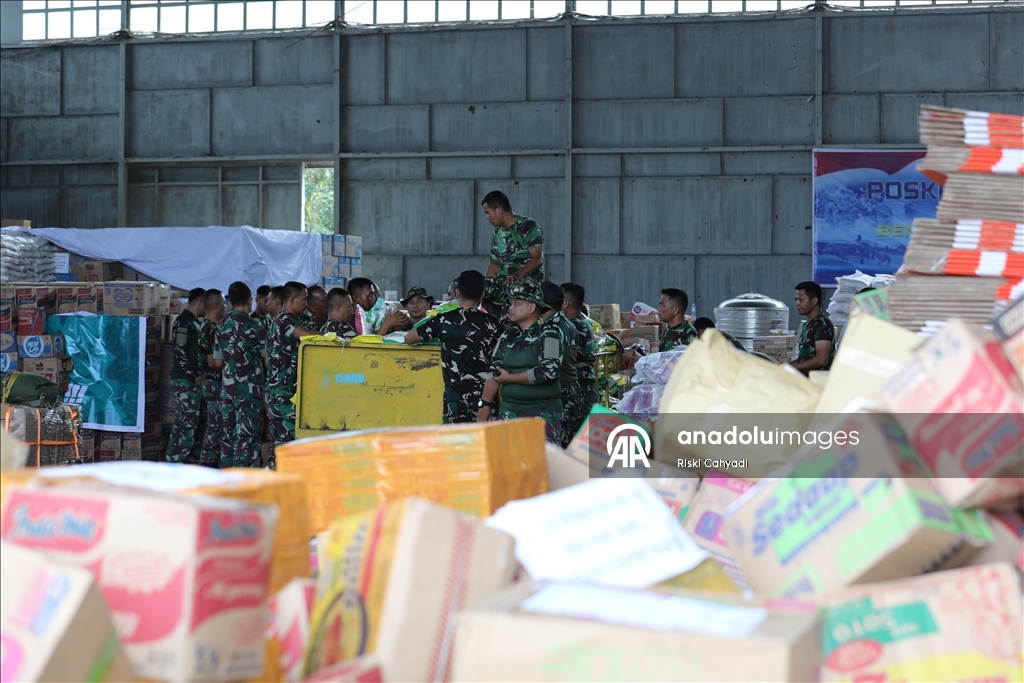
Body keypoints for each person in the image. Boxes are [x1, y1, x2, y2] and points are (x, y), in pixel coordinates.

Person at [406, 270, 501, 423]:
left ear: (457, 292)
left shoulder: (443, 320)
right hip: (484, 400)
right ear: (482, 295)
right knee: (484, 444)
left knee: (455, 444)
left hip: (454, 399)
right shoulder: (492, 322)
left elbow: (409, 338)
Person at [476, 281, 563, 445]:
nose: (510, 307)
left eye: (517, 303)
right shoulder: (508, 335)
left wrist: (510, 378)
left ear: (531, 307)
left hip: (542, 414)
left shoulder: (549, 334)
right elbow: (494, 371)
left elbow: (549, 371)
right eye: (511, 303)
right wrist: (484, 404)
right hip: (510, 412)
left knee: (541, 465)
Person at [265, 281, 320, 463]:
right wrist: (328, 337)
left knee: (281, 445)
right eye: (304, 300)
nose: (306, 304)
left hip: (280, 392)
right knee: (289, 442)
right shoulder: (284, 320)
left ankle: (276, 481)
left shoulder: (280, 321)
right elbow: (306, 335)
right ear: (293, 299)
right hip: (281, 393)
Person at [218, 281, 266, 468]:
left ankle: (226, 477)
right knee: (247, 435)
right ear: (250, 300)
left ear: (230, 303)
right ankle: (241, 479)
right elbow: (267, 358)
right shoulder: (255, 327)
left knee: (228, 433)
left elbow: (217, 360)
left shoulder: (221, 327)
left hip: (227, 389)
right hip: (249, 391)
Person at [483, 191, 544, 310]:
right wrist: (485, 283)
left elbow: (537, 258)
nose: (487, 217)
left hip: (525, 281)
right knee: (471, 286)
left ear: (499, 209)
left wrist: (518, 274)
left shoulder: (528, 226)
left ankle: (507, 314)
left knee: (514, 288)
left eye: (487, 213)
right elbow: (494, 264)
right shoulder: (497, 232)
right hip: (504, 281)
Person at [166, 287, 207, 464]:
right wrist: (194, 373)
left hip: (192, 380)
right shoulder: (183, 322)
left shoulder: (195, 322)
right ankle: (174, 460)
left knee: (195, 421)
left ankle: (191, 460)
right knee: (185, 421)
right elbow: (180, 351)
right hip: (184, 379)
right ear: (201, 303)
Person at [540, 282, 580, 448]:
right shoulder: (568, 323)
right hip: (572, 390)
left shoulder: (552, 327)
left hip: (562, 393)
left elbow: (549, 369)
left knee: (559, 449)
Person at [561, 282, 599, 423]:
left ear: (565, 303)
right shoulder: (581, 321)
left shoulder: (573, 326)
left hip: (582, 387)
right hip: (584, 386)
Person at [198, 288, 226, 468]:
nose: (226, 308)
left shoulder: (213, 327)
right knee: (215, 427)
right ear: (216, 306)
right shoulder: (209, 328)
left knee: (216, 425)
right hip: (213, 382)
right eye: (223, 304)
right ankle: (207, 464)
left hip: (214, 382)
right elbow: (212, 361)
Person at [790, 280, 836, 375]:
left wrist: (793, 368)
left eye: (801, 300)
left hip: (817, 381)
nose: (797, 303)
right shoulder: (807, 324)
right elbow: (805, 358)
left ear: (814, 300)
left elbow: (822, 360)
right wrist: (785, 366)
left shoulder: (822, 324)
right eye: (796, 299)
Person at [658, 288, 698, 352]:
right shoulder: (668, 330)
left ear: (675, 309)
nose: (658, 309)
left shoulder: (689, 332)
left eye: (662, 305)